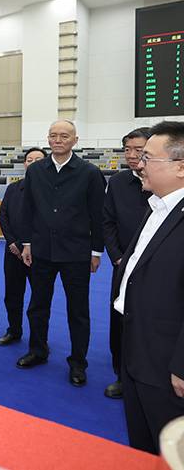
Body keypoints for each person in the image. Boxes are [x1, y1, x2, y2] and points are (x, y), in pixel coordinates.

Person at [18, 120, 106, 387]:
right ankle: (38, 350)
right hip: (42, 250)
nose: (58, 140)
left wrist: (96, 251)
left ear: (75, 140)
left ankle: (78, 362)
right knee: (38, 305)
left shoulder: (89, 173)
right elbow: (28, 208)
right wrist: (27, 243)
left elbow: (98, 215)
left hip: (77, 252)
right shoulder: (36, 171)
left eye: (64, 136)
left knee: (78, 311)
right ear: (48, 139)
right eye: (53, 135)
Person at [115, 121, 184, 454]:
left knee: (170, 450)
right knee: (141, 446)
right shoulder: (157, 206)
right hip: (138, 349)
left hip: (168, 364)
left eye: (147, 158)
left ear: (180, 166)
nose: (139, 165)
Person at [102, 127, 151, 399]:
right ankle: (121, 375)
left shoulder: (167, 183)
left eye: (139, 150)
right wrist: (117, 256)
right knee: (119, 320)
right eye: (127, 149)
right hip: (123, 265)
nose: (131, 155)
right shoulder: (118, 182)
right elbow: (107, 221)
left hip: (158, 269)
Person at [0, 147, 47, 346]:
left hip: (39, 253)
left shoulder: (51, 190)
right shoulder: (13, 188)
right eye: (29, 160)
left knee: (40, 299)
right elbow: (4, 216)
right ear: (24, 164)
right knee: (12, 295)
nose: (33, 163)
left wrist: (29, 245)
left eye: (38, 160)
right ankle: (14, 330)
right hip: (13, 252)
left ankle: (39, 339)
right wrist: (13, 243)